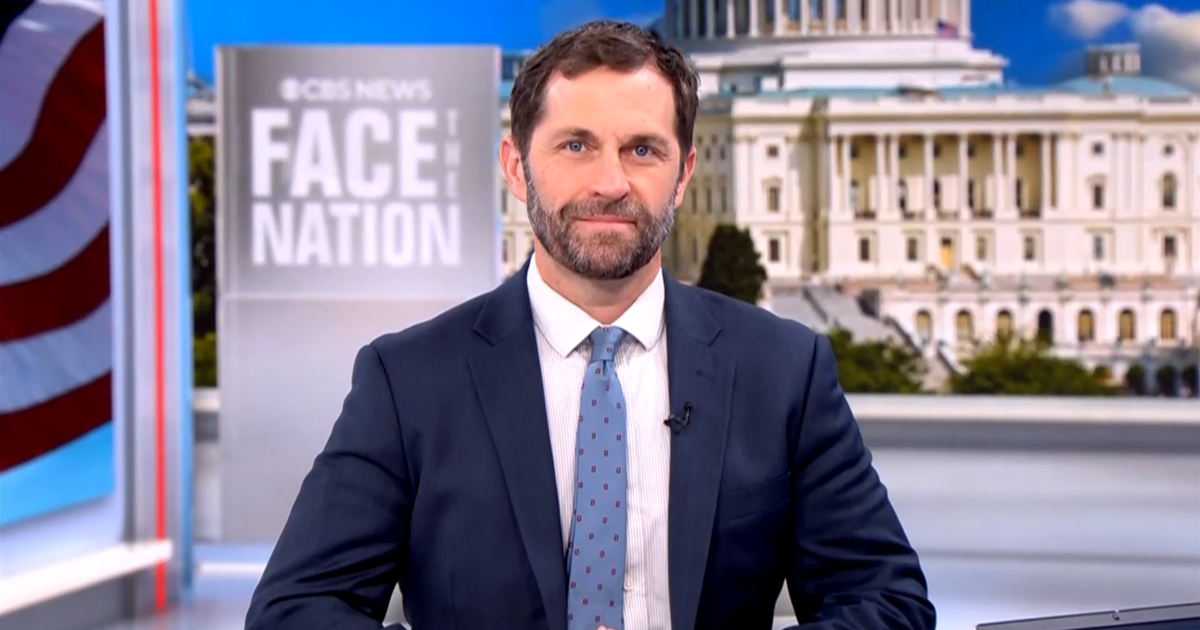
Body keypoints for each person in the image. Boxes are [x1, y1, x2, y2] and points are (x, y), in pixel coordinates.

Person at [244, 19, 934, 630]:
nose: (610, 182)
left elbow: (889, 602)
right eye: (575, 146)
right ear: (517, 168)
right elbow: (295, 611)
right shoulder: (409, 381)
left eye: (643, 149)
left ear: (684, 174)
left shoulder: (784, 371)